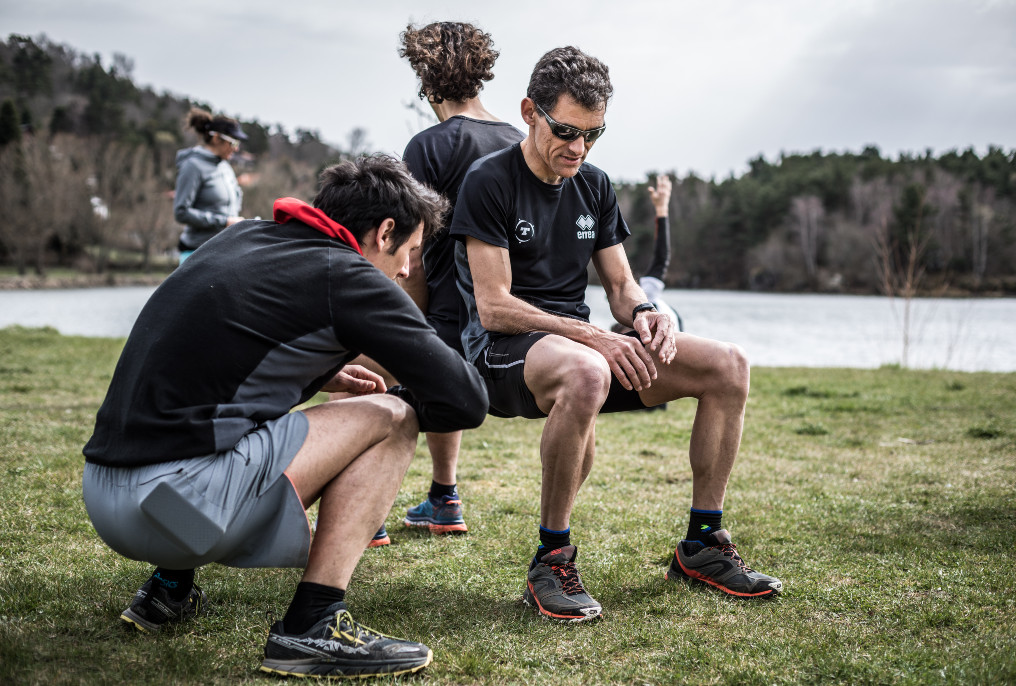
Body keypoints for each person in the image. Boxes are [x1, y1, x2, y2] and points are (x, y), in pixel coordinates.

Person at [82, 155, 488, 678]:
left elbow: (213, 358)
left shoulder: (241, 238)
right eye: (410, 251)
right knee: (392, 415)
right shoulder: (349, 275)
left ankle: (169, 587)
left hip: (107, 500)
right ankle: (313, 623)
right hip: (175, 516)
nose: (408, 271)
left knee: (217, 417)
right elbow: (466, 399)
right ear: (385, 232)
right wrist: (400, 394)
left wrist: (317, 374)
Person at [450, 47, 782, 623]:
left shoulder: (594, 186)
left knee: (728, 365)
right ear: (529, 113)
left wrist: (648, 313)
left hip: (579, 348)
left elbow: (622, 285)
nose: (578, 148)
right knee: (587, 368)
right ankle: (552, 559)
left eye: (593, 134)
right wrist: (595, 338)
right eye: (566, 131)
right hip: (500, 353)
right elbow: (495, 306)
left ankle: (702, 544)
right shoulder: (488, 181)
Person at [392, 21, 525, 540]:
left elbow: (412, 251)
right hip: (504, 326)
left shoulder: (428, 146)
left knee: (354, 366)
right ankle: (444, 497)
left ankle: (368, 513)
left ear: (426, 82)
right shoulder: (519, 142)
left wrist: (408, 322)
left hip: (447, 320)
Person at [173, 107, 246, 263]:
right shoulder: (192, 167)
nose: (236, 148)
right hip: (197, 254)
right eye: (233, 142)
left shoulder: (226, 167)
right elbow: (181, 212)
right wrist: (224, 222)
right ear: (217, 138)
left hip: (224, 252)